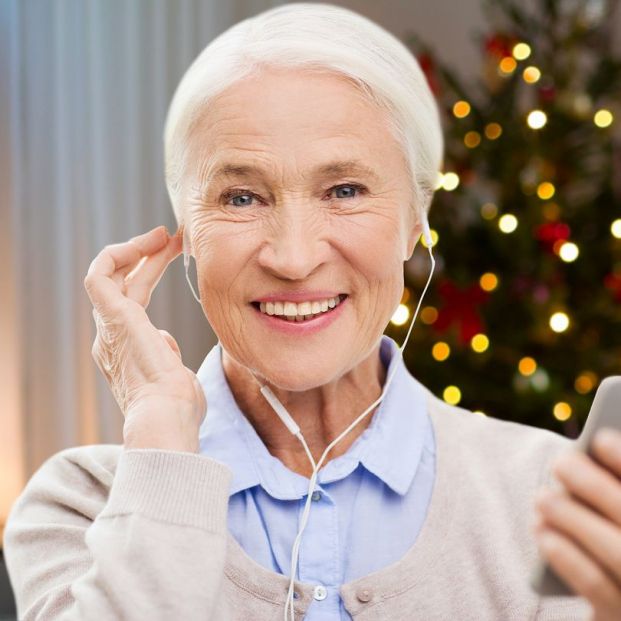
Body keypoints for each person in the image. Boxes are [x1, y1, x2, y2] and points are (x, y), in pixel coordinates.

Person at [4, 3, 620, 620]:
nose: (294, 259)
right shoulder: (82, 506)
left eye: (344, 191)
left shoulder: (553, 499)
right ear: (188, 232)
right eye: (241, 197)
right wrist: (162, 425)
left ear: (414, 224)